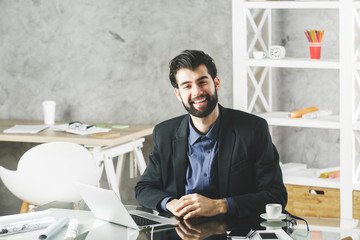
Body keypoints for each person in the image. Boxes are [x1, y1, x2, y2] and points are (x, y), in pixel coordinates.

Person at [135, 50, 287, 220]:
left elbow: (276, 195)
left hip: (233, 230)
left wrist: (219, 205)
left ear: (216, 83)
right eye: (187, 86)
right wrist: (171, 203)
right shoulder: (165, 133)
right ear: (178, 94)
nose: (197, 92)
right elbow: (144, 188)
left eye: (202, 82)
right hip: (180, 230)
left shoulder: (252, 129)